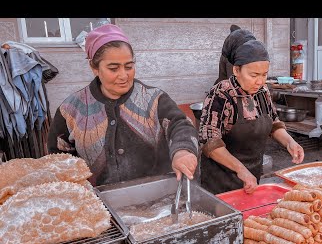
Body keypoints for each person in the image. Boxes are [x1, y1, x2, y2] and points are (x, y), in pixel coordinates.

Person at [47, 24, 199, 186]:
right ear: (94, 67)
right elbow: (59, 158)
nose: (124, 75)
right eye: (113, 68)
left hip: (155, 199)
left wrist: (183, 151)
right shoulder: (71, 110)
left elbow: (180, 124)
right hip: (99, 205)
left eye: (129, 66)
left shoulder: (153, 99)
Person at [199, 29, 304, 195]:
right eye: (254, 75)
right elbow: (209, 143)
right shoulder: (221, 94)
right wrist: (240, 169)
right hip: (220, 183)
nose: (260, 81)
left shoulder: (263, 91)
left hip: (252, 179)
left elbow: (274, 123)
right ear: (236, 70)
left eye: (264, 74)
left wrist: (289, 142)